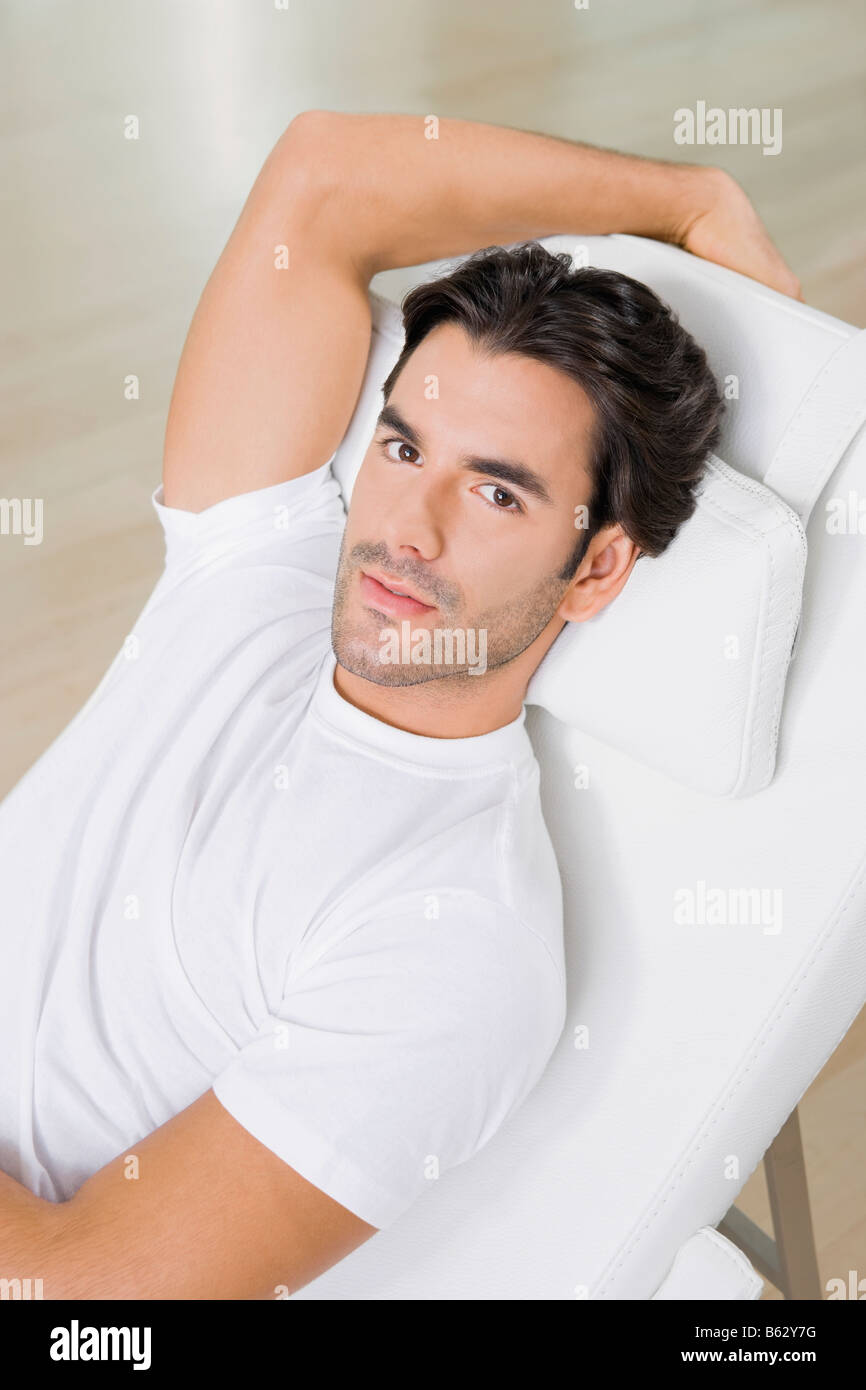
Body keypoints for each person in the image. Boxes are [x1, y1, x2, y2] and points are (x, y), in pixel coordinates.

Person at [0, 110, 801, 1299]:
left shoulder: (455, 936)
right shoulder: (257, 572)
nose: (403, 533)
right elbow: (324, 180)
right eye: (401, 446)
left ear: (596, 567)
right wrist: (683, 200)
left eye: (494, 492)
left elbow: (72, 1308)